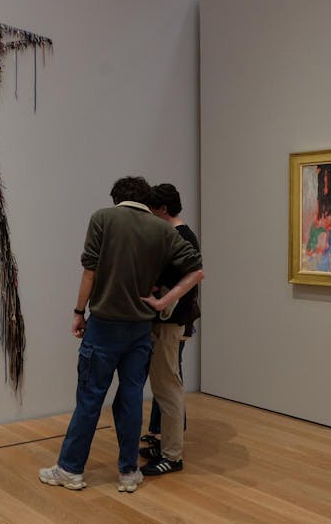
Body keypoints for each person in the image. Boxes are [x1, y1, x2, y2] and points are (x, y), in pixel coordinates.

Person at [38, 176, 204, 493]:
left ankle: (70, 469)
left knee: (89, 398)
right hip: (141, 329)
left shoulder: (103, 218)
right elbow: (197, 270)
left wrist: (78, 311)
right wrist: (164, 301)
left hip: (104, 325)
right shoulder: (161, 228)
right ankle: (129, 472)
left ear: (117, 199)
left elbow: (90, 269)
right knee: (129, 400)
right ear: (146, 199)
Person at [139, 183, 201, 476]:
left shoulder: (180, 237)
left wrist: (161, 301)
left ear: (161, 209)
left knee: (168, 386)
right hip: (168, 322)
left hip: (169, 324)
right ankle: (165, 445)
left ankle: (172, 455)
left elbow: (192, 278)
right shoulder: (178, 234)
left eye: (151, 208)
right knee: (165, 384)